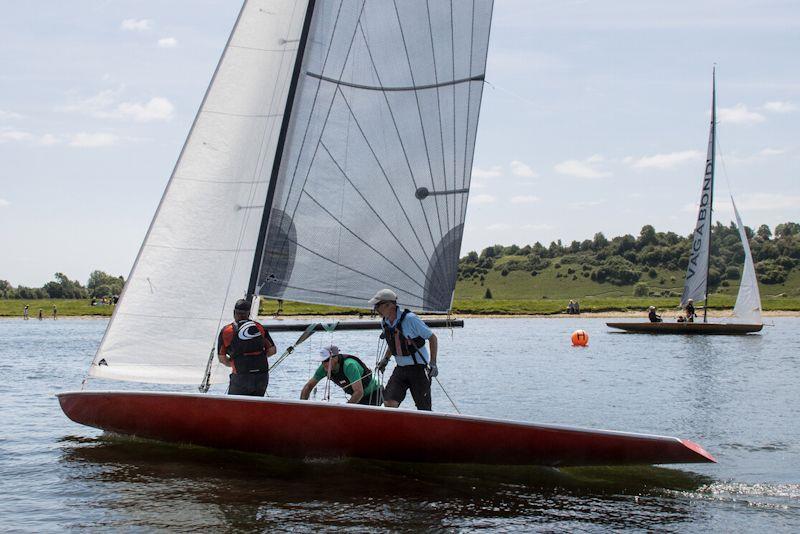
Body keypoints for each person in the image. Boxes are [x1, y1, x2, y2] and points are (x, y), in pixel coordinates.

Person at [370, 289, 437, 411]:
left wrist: (433, 363)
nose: (376, 309)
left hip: (418, 369)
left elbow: (432, 338)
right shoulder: (384, 322)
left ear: (389, 305)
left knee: (424, 408)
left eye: (377, 305)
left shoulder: (410, 319)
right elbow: (393, 343)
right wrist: (385, 359)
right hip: (400, 369)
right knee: (389, 402)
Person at [217, 298, 276, 396]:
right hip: (261, 375)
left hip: (240, 376)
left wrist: (233, 363)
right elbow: (272, 350)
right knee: (256, 407)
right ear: (248, 313)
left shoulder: (227, 331)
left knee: (235, 407)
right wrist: (258, 358)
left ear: (234, 312)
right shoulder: (259, 327)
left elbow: (222, 358)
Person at [300, 346, 383, 406]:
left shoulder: (349, 365)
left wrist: (345, 411)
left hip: (374, 393)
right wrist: (302, 407)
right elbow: (308, 386)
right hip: (358, 396)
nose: (324, 364)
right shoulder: (324, 368)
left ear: (335, 358)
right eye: (322, 361)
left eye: (326, 360)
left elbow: (359, 392)